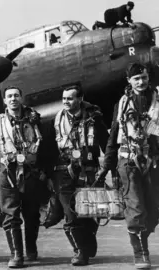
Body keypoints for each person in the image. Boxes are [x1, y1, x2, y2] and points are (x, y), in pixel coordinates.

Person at [100, 63, 159, 269]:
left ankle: (143, 235)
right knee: (135, 208)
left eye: (143, 77)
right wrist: (106, 166)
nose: (141, 82)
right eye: (136, 79)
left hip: (153, 160)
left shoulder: (157, 100)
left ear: (148, 78)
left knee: (154, 208)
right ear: (129, 81)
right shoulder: (123, 104)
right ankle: (141, 253)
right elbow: (113, 135)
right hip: (129, 161)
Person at [50, 85, 109, 266]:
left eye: (70, 98)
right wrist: (47, 175)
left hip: (89, 169)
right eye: (64, 99)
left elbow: (106, 144)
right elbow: (49, 148)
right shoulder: (57, 118)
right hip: (63, 170)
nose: (66, 102)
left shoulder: (94, 117)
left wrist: (108, 168)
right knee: (70, 213)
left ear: (80, 98)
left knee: (91, 212)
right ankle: (79, 251)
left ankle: (88, 239)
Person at [0, 86, 46, 268]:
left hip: (31, 171)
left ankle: (31, 249)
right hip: (7, 171)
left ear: (21, 98)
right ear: (5, 101)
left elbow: (44, 146)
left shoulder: (34, 119)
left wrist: (44, 172)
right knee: (10, 214)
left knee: (31, 214)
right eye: (9, 96)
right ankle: (16, 255)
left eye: (16, 95)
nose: (13, 99)